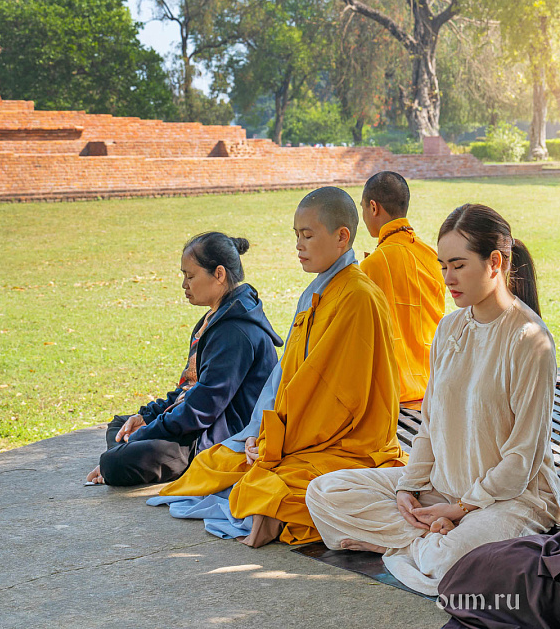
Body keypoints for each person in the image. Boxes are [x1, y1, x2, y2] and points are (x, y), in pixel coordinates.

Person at [306, 203, 560, 596]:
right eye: (443, 266)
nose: (447, 278)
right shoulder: (449, 328)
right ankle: (429, 538)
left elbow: (521, 459)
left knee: (448, 562)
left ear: (494, 262)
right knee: (323, 492)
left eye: (458, 265)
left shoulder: (531, 340)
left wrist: (461, 509)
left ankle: (419, 544)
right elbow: (430, 424)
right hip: (441, 487)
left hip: (510, 498)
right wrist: (407, 489)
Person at [148, 187, 406, 547]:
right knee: (214, 463)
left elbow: (340, 399)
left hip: (348, 443)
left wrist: (276, 440)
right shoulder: (314, 292)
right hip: (298, 430)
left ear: (341, 237)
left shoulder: (359, 297)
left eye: (308, 235)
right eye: (296, 235)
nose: (299, 245)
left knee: (271, 490)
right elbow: (284, 375)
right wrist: (257, 433)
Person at [85, 231, 282, 486]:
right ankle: (121, 451)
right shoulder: (216, 318)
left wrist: (142, 436)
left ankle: (117, 456)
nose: (184, 285)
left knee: (117, 460)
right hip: (197, 422)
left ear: (219, 274)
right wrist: (147, 418)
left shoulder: (236, 331)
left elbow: (202, 408)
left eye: (190, 276)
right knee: (120, 425)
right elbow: (189, 387)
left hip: (216, 439)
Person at [358, 171, 445, 410]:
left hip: (393, 395)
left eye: (363, 208)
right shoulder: (432, 257)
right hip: (436, 387)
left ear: (373, 207)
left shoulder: (370, 266)